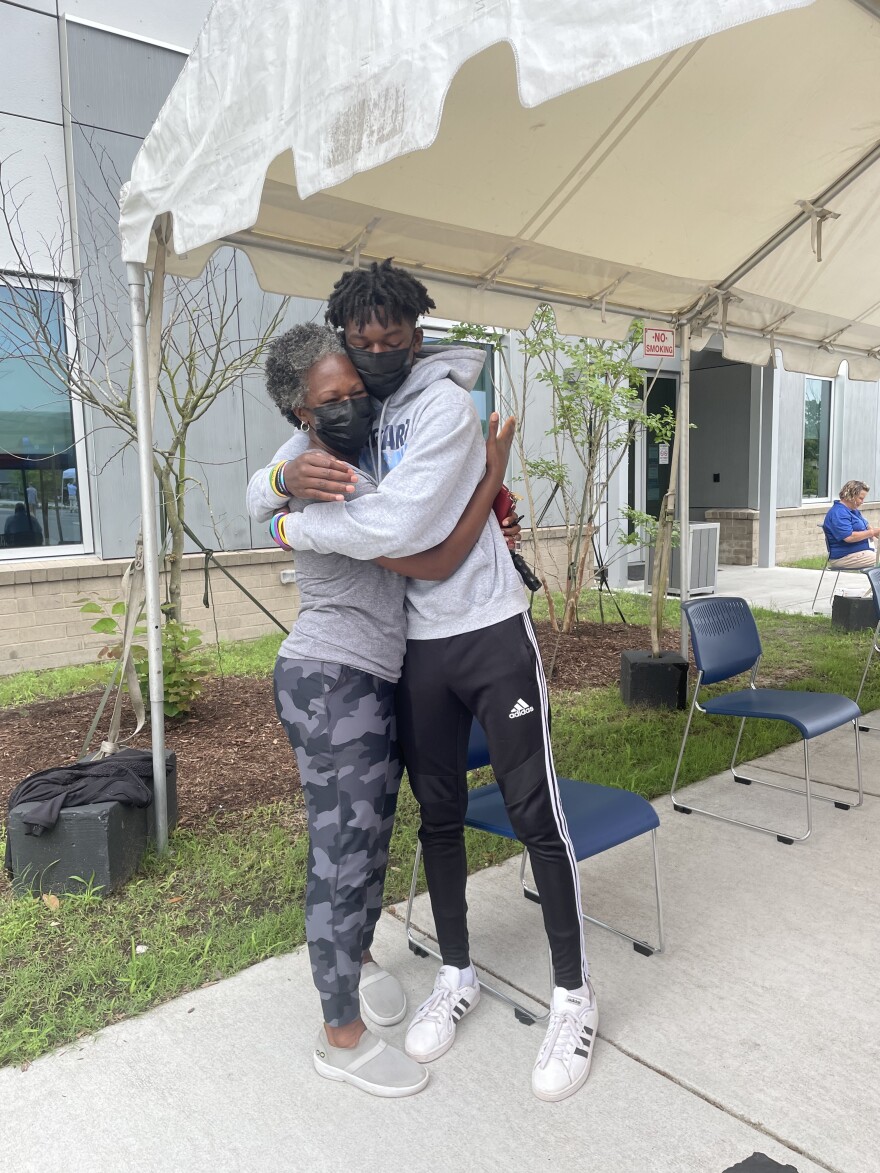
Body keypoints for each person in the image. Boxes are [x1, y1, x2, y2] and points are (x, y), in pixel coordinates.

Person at [249, 260, 597, 1104]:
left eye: (391, 337)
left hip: (482, 630)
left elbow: (408, 530)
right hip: (392, 655)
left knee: (527, 811)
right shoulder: (340, 425)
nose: (375, 356)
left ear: (416, 329)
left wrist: (302, 520)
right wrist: (277, 486)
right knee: (423, 820)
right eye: (360, 343)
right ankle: (454, 972)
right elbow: (253, 494)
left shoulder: (440, 403)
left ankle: (573, 996)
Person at [259, 322, 515, 1099]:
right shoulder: (321, 475)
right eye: (329, 399)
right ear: (302, 415)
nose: (349, 405)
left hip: (368, 675)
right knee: (342, 853)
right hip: (332, 675)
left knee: (367, 841)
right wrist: (490, 471)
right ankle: (338, 1034)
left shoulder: (362, 456)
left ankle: (360, 956)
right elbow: (431, 553)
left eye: (355, 390)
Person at [823, 480, 880, 570]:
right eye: (860, 498)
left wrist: (874, 532)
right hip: (845, 556)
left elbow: (866, 525)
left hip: (859, 553)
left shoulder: (853, 510)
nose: (862, 502)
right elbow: (849, 537)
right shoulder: (839, 513)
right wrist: (872, 532)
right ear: (851, 496)